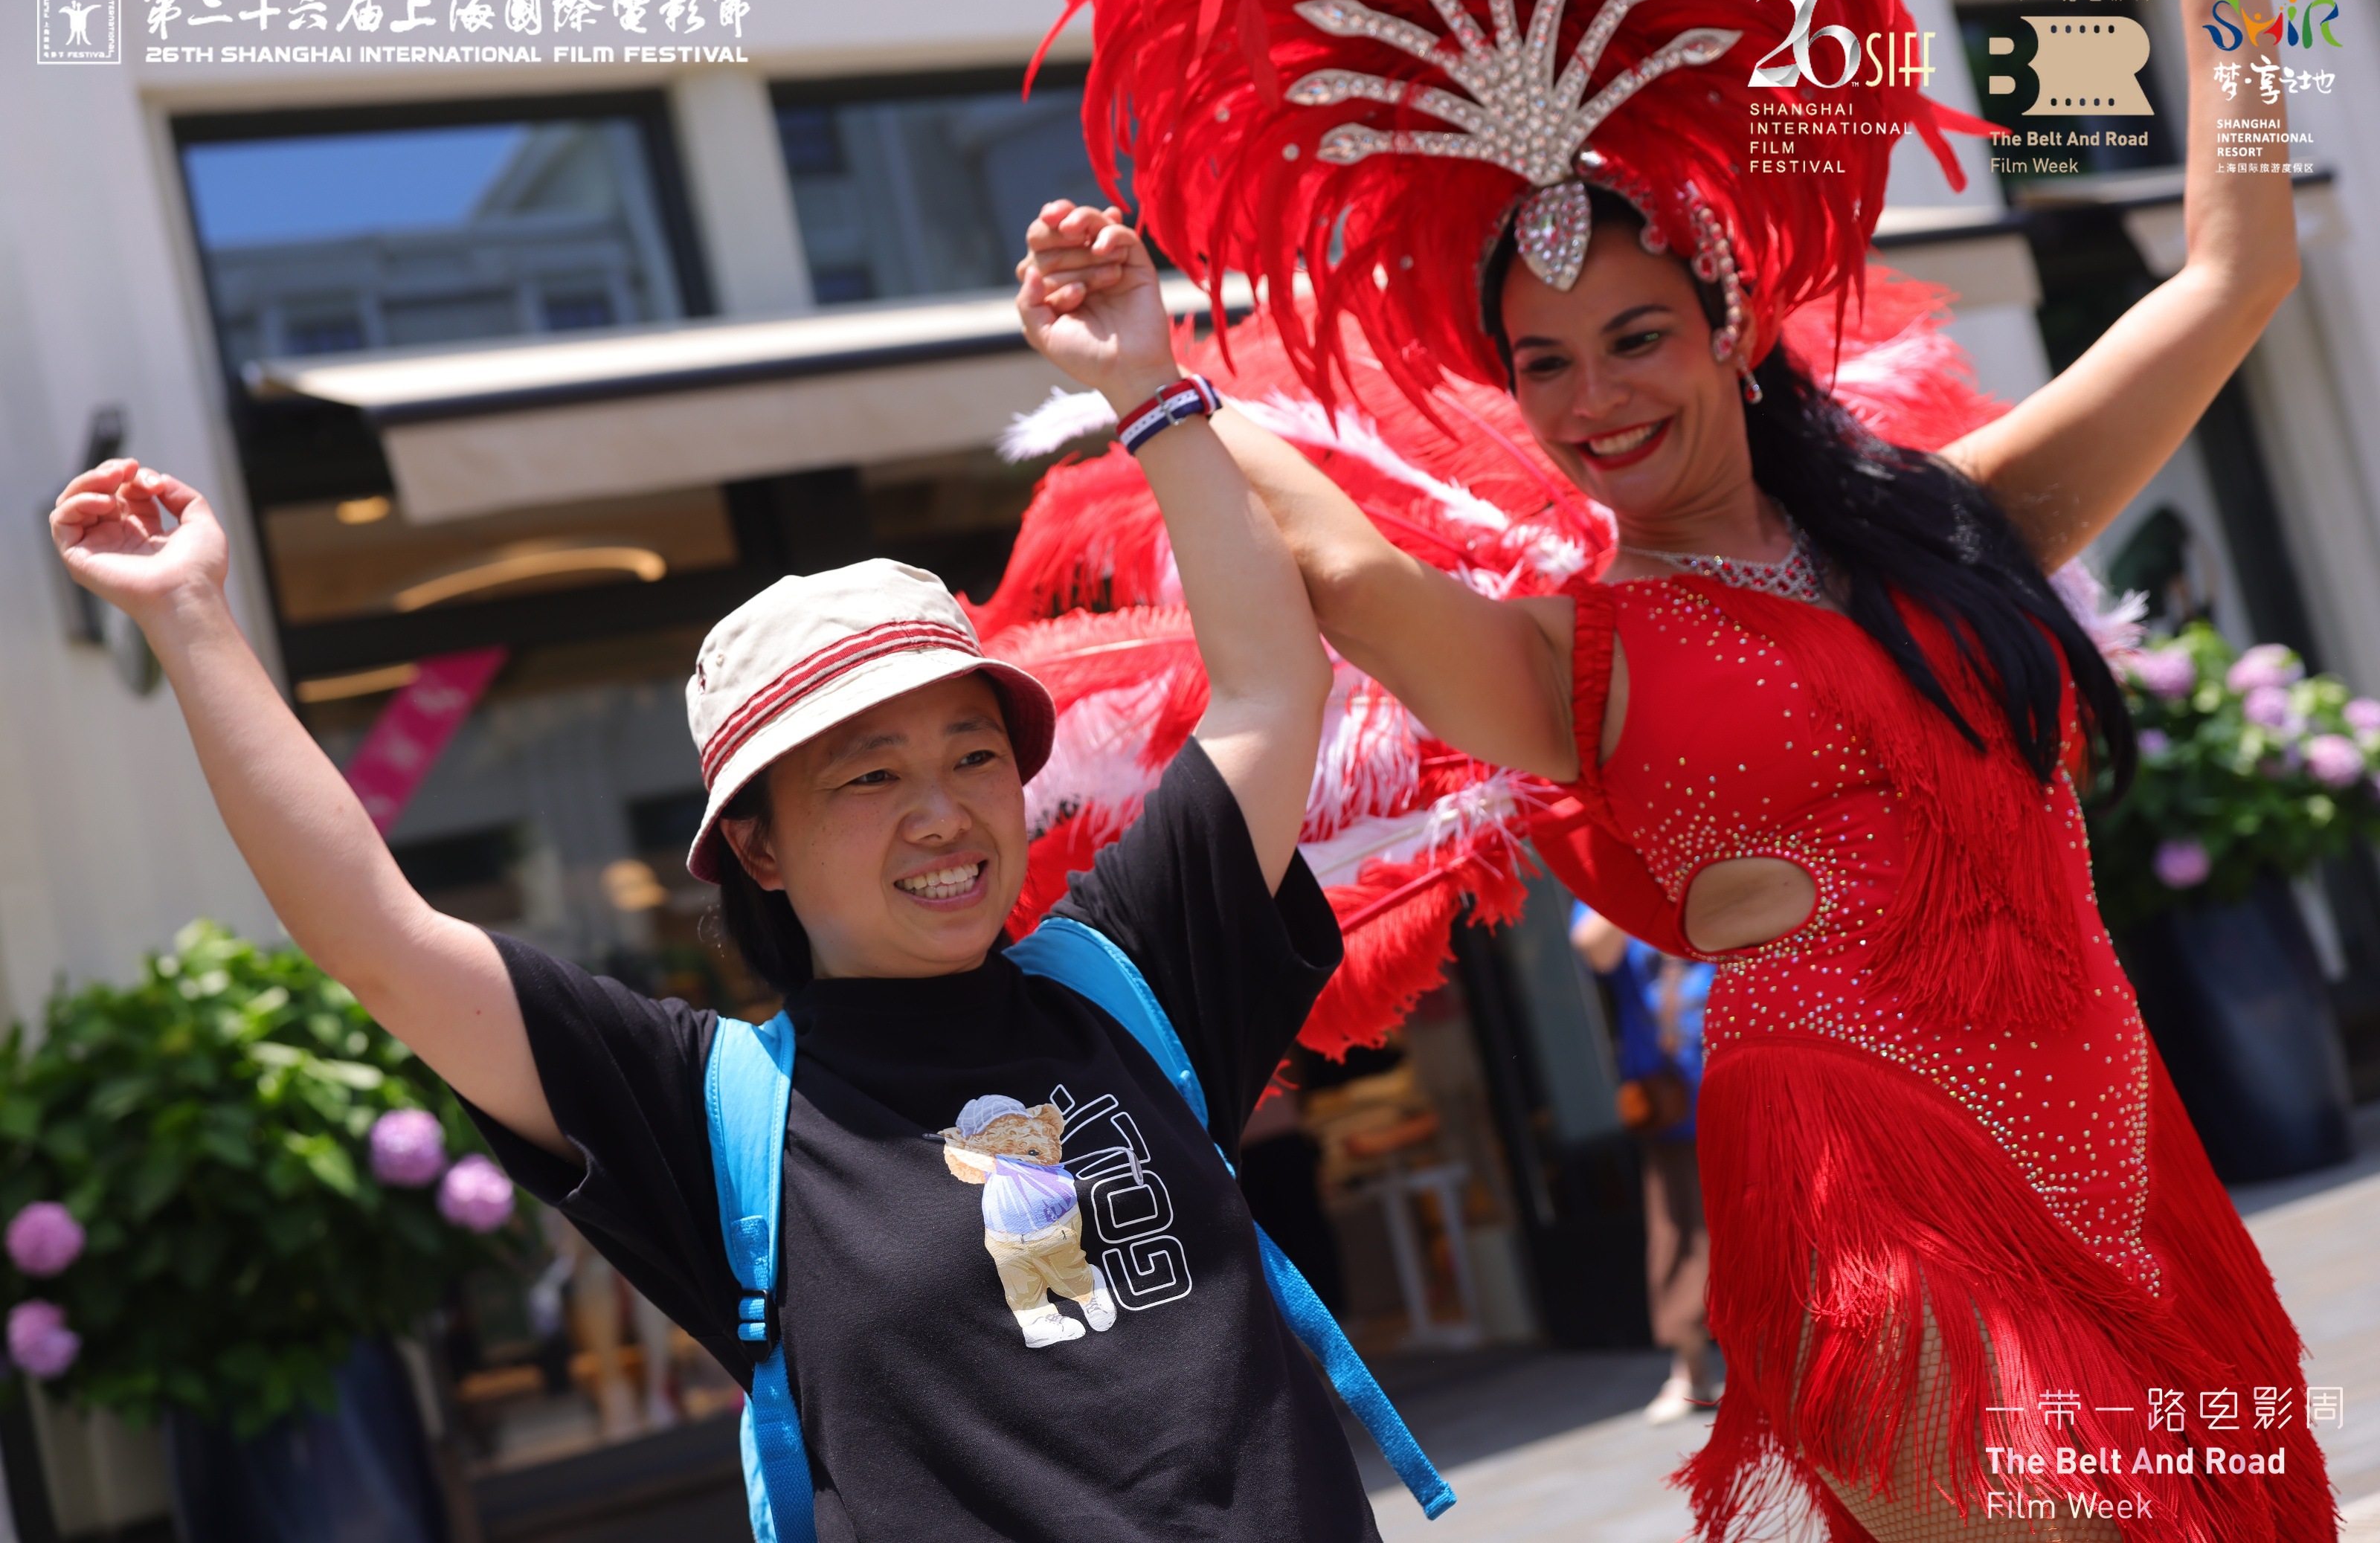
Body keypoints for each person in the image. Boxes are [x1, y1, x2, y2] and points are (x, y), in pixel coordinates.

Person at [1016, 0, 2330, 1534]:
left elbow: (2237, 271)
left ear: (1731, 323)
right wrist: (1154, 382)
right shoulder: (1567, 658)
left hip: (2121, 1151)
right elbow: (1349, 572)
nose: (1594, 397)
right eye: (1544, 364)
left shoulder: (1957, 529)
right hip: (1863, 1176)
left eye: (1634, 336)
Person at [47, 226, 1389, 1535]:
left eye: (974, 753)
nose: (942, 813)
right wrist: (191, 613)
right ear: (758, 845)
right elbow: (379, 939)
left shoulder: (1126, 979)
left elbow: (1271, 687)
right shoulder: (712, 1111)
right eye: (869, 775)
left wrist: (1147, 389)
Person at [1573, 906, 1714, 1425]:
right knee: (1677, 1235)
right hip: (1671, 1100)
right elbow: (1594, 946)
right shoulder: (1613, 888)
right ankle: (1691, 1370)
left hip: (1739, 1079)